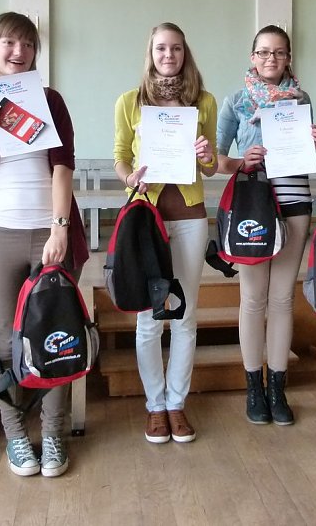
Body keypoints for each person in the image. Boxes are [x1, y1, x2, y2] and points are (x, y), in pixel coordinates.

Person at [0, 12, 89, 475]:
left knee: (56, 333)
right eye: (9, 43)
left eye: (27, 44)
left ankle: (53, 436)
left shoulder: (49, 100)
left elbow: (62, 168)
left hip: (48, 232)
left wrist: (60, 228)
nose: (18, 52)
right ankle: (15, 436)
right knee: (7, 342)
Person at [113, 22, 217, 444]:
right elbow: (120, 156)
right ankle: (155, 405)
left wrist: (208, 155)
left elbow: (209, 167)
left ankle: (177, 403)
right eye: (161, 48)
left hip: (190, 217)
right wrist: (130, 178)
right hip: (147, 218)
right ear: (150, 53)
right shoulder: (129, 101)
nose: (168, 55)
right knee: (149, 318)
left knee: (184, 316)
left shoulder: (203, 102)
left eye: (176, 48)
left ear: (184, 53)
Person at [216, 25, 316, 426]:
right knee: (253, 299)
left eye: (279, 53)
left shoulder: (302, 98)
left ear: (288, 57)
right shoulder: (236, 102)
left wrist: (315, 141)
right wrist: (243, 160)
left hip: (295, 201)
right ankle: (253, 388)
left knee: (281, 299)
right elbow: (215, 161)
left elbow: (305, 151)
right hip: (253, 204)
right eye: (263, 53)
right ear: (252, 56)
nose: (270, 60)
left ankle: (278, 387)